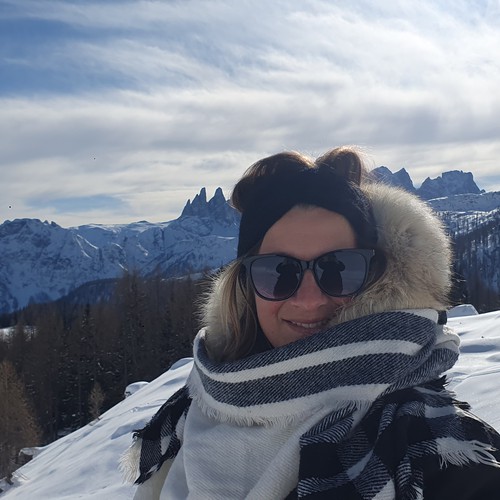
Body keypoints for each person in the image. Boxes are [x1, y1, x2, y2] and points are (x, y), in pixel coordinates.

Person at [122, 147, 500, 499]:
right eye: (278, 272)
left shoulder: (431, 439)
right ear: (245, 285)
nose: (309, 300)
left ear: (375, 278)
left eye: (339, 269)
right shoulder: (196, 407)